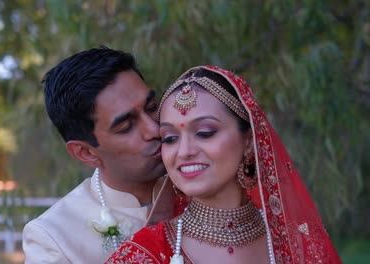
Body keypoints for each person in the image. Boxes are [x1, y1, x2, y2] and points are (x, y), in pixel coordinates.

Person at [107, 66, 342, 263]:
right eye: (169, 138)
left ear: (249, 142)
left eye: (205, 132)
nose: (184, 151)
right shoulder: (143, 254)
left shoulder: (299, 245)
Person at [22, 47, 176, 263]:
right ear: (85, 153)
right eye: (126, 126)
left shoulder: (203, 186)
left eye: (151, 107)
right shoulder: (54, 238)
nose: (154, 129)